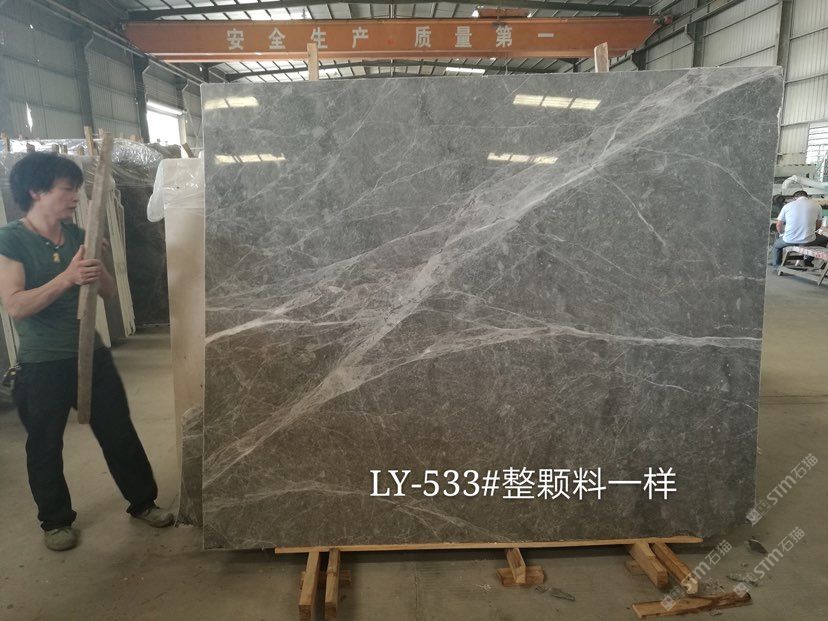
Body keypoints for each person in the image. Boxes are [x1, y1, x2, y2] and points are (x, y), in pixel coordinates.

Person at [0, 152, 172, 552]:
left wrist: (100, 263)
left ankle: (143, 502)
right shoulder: (12, 240)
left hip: (91, 355)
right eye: (67, 188)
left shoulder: (79, 235)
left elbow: (107, 292)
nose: (75, 196)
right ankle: (56, 521)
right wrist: (68, 278)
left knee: (118, 431)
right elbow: (16, 305)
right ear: (37, 191)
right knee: (45, 444)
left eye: (76, 189)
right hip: (42, 363)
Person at [771, 190, 828, 267]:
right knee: (824, 239)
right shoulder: (817, 206)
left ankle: (776, 265)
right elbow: (818, 225)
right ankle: (808, 260)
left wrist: (782, 233)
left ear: (794, 198)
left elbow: (778, 225)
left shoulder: (787, 206)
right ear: (807, 197)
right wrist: (810, 231)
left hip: (789, 240)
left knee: (776, 246)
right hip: (808, 240)